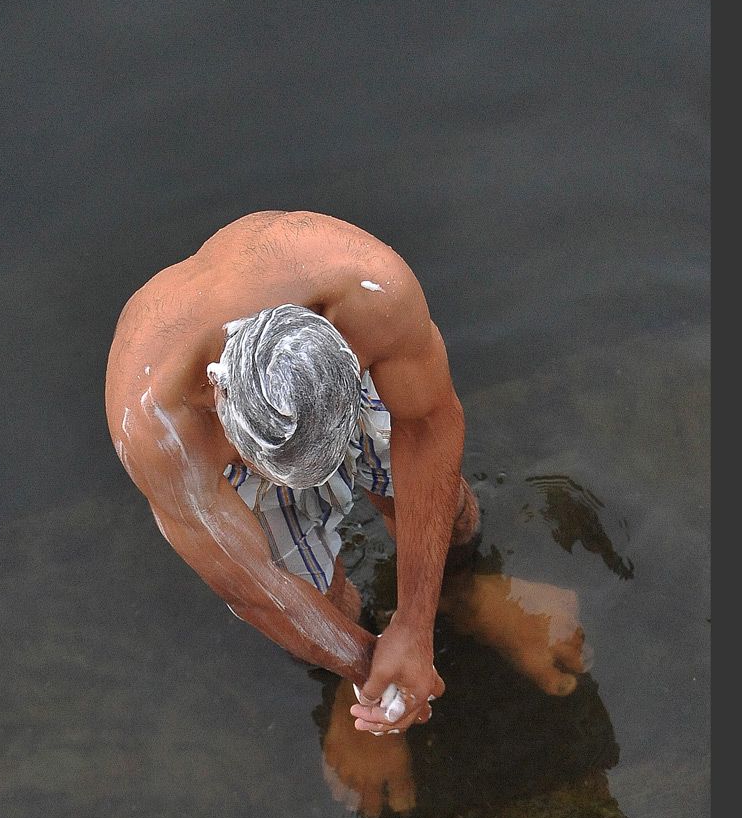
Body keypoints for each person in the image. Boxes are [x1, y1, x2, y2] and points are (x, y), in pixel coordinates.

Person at [105, 211, 586, 736]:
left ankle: (466, 593)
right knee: (320, 591)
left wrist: (416, 627)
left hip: (326, 391)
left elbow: (427, 426)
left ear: (342, 345)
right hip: (227, 457)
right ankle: (348, 691)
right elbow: (261, 587)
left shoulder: (369, 291)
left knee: (447, 510)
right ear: (215, 394)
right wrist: (373, 675)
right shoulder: (157, 428)